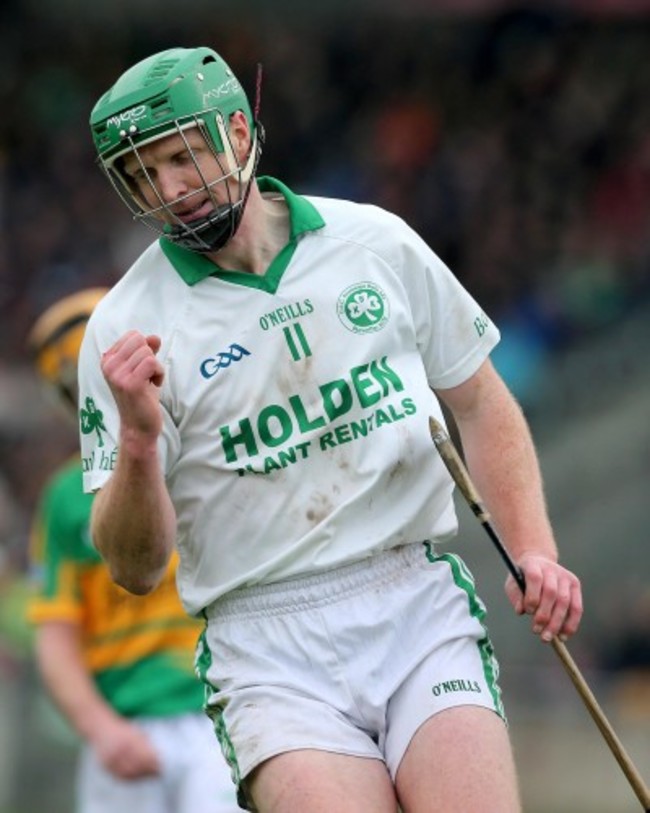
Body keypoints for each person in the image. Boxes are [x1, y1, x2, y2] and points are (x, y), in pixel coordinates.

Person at [79, 46, 583, 813]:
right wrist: (141, 439)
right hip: (266, 644)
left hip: (411, 596)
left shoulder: (373, 242)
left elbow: (478, 401)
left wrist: (534, 550)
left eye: (183, 157)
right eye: (145, 173)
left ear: (241, 135)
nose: (170, 189)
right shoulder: (123, 326)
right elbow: (135, 567)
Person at [27, 288, 241, 813]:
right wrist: (101, 730)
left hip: (224, 712)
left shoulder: (211, 454)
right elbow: (55, 636)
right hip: (124, 730)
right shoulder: (64, 500)